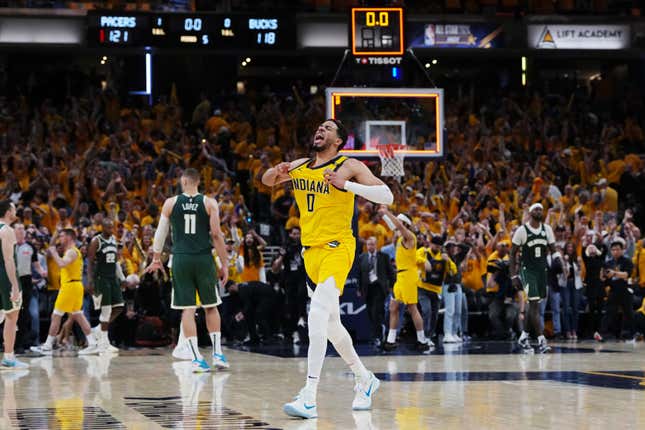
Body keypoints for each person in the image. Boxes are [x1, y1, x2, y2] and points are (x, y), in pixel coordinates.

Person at [262, 118, 393, 419]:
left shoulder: (349, 165)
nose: (319, 129)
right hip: (311, 253)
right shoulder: (301, 165)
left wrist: (345, 185)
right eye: (318, 126)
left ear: (339, 141)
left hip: (338, 247)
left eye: (327, 128)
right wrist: (278, 170)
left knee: (317, 315)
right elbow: (267, 181)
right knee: (332, 324)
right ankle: (365, 378)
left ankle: (309, 395)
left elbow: (387, 196)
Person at [144, 168, 229, 373]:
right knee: (211, 306)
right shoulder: (209, 203)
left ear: (183, 181)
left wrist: (156, 258)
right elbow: (216, 235)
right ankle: (217, 353)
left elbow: (160, 233)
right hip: (204, 258)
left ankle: (196, 358)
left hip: (181, 259)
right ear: (198, 182)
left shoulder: (170, 203)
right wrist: (224, 263)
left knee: (188, 309)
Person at [31, 229, 99, 356]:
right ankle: (93, 343)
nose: (59, 239)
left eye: (61, 236)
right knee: (79, 316)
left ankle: (47, 346)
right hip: (75, 286)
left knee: (56, 315)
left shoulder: (72, 252)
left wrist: (54, 252)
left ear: (69, 237)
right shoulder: (74, 251)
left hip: (70, 287)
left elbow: (62, 264)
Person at [510, 203, 562, 353]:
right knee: (535, 305)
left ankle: (523, 336)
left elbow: (553, 248)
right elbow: (512, 254)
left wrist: (558, 259)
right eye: (536, 209)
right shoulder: (522, 230)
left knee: (533, 306)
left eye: (541, 209)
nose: (539, 211)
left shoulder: (547, 229)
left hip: (542, 271)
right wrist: (514, 275)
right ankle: (541, 340)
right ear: (531, 212)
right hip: (527, 271)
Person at [381, 209, 430, 352]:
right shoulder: (400, 237)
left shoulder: (410, 237)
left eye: (399, 221)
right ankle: (391, 340)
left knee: (412, 308)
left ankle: (422, 341)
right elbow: (394, 226)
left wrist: (387, 212)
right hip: (400, 277)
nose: (397, 224)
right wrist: (383, 212)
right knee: (393, 307)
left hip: (408, 276)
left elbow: (400, 226)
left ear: (405, 224)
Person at [86, 219, 124, 353]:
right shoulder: (96, 241)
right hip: (101, 279)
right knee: (106, 311)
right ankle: (104, 342)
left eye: (111, 227)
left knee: (119, 307)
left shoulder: (114, 239)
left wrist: (122, 278)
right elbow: (90, 262)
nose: (110, 229)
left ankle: (97, 330)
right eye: (108, 227)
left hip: (112, 278)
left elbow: (116, 261)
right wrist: (89, 280)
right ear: (102, 227)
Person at [0, 201, 29, 369]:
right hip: (5, 277)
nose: (15, 210)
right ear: (8, 212)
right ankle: (9, 357)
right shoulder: (7, 230)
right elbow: (8, 260)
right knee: (12, 317)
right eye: (13, 208)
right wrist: (15, 286)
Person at [357, 236, 395, 347]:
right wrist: (358, 288)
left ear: (376, 245)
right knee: (370, 312)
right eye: (368, 244)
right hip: (367, 288)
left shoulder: (383, 256)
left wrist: (392, 286)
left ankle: (377, 337)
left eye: (372, 244)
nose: (370, 246)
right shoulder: (362, 257)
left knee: (375, 311)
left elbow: (391, 273)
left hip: (380, 288)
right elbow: (359, 275)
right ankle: (380, 329)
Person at [602, 238, 635, 340]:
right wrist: (603, 277)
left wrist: (615, 273)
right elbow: (606, 278)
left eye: (617, 249)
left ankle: (632, 334)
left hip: (625, 290)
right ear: (611, 251)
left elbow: (626, 275)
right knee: (609, 312)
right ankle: (602, 333)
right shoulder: (609, 262)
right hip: (614, 290)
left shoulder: (627, 261)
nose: (615, 251)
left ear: (622, 250)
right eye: (613, 250)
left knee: (628, 313)